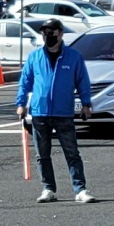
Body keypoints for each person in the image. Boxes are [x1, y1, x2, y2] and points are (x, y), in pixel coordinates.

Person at [15, 19, 94, 203]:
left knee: (71, 152)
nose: (48, 36)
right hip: (40, 112)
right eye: (44, 32)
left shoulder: (74, 57)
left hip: (63, 112)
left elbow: (82, 81)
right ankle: (48, 188)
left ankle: (80, 189)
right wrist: (21, 104)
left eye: (52, 32)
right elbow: (25, 81)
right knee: (42, 154)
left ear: (61, 33)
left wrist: (86, 103)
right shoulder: (35, 57)